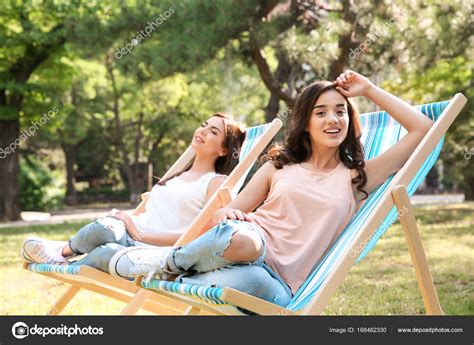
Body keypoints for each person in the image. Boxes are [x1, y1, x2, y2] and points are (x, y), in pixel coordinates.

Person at [110, 70, 433, 306]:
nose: (333, 119)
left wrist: (368, 89)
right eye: (321, 112)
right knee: (243, 240)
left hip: (275, 282)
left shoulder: (357, 177)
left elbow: (423, 129)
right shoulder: (278, 167)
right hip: (244, 243)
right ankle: (170, 264)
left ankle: (169, 269)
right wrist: (229, 212)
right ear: (306, 123)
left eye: (340, 111)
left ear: (349, 120)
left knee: (249, 279)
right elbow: (222, 214)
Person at [20, 113, 246, 274]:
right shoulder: (177, 175)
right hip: (131, 233)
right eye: (204, 125)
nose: (203, 131)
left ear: (223, 149)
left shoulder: (216, 182)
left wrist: (138, 234)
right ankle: (62, 252)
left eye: (213, 131)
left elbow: (201, 237)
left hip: (157, 247)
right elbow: (154, 213)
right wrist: (125, 220)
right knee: (106, 226)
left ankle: (62, 258)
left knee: (107, 251)